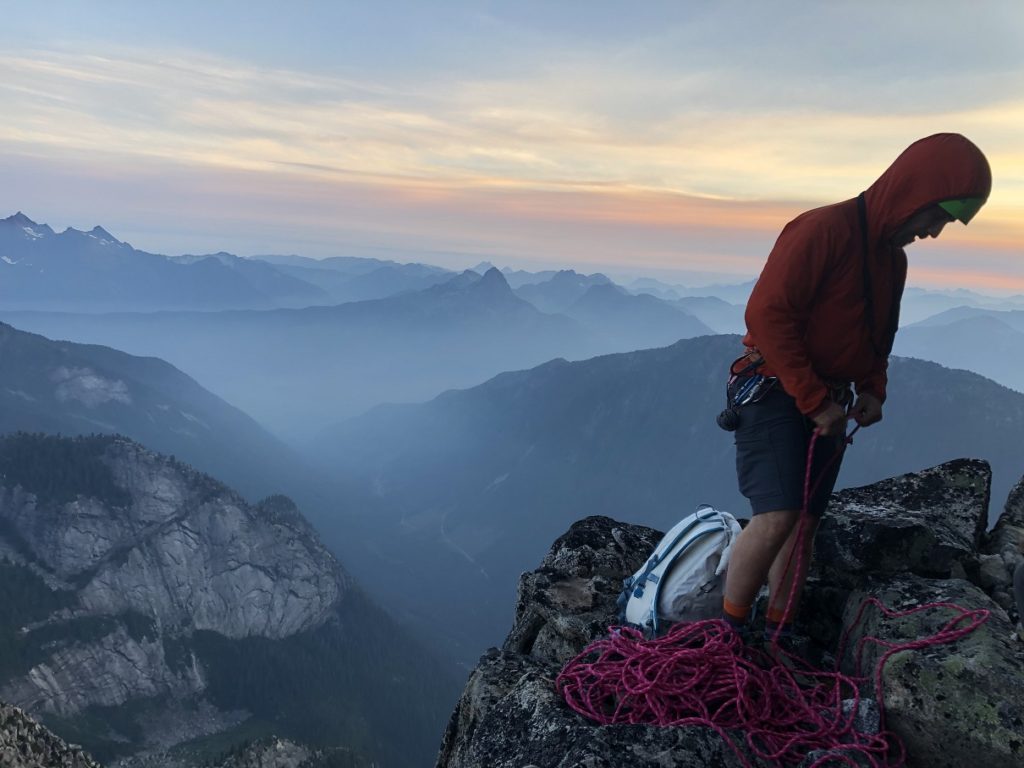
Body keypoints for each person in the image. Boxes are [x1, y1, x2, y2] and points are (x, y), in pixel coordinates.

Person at [720, 133, 992, 638]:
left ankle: (780, 636)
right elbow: (767, 313)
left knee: (805, 525)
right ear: (912, 195)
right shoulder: (824, 229)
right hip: (776, 388)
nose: (933, 232)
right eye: (935, 216)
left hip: (826, 399)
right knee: (778, 514)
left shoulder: (893, 261)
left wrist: (872, 388)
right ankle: (728, 637)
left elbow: (877, 336)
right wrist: (814, 398)